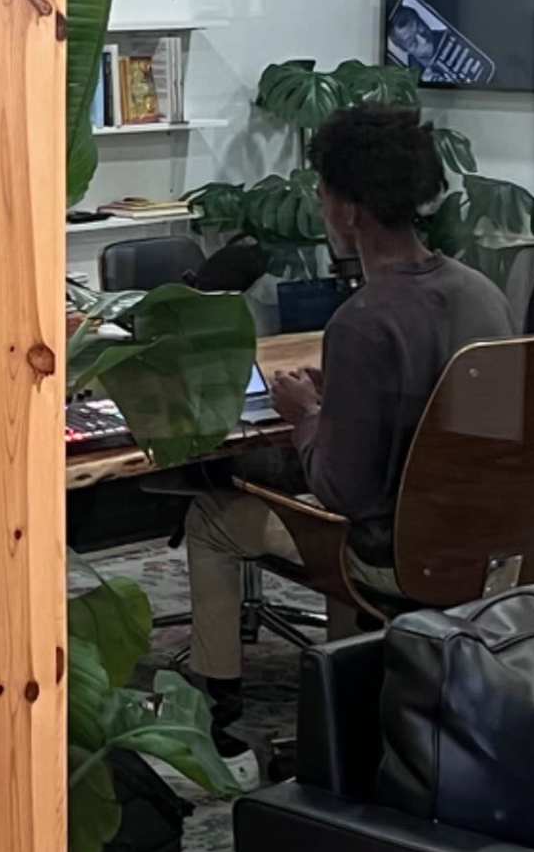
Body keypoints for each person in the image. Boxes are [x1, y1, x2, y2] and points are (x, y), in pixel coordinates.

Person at [183, 101, 509, 743]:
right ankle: (362, 683)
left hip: (395, 557)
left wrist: (306, 415)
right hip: (490, 547)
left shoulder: (363, 322)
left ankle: (214, 708)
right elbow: (477, 429)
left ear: (348, 209)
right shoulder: (483, 295)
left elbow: (343, 491)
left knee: (212, 520)